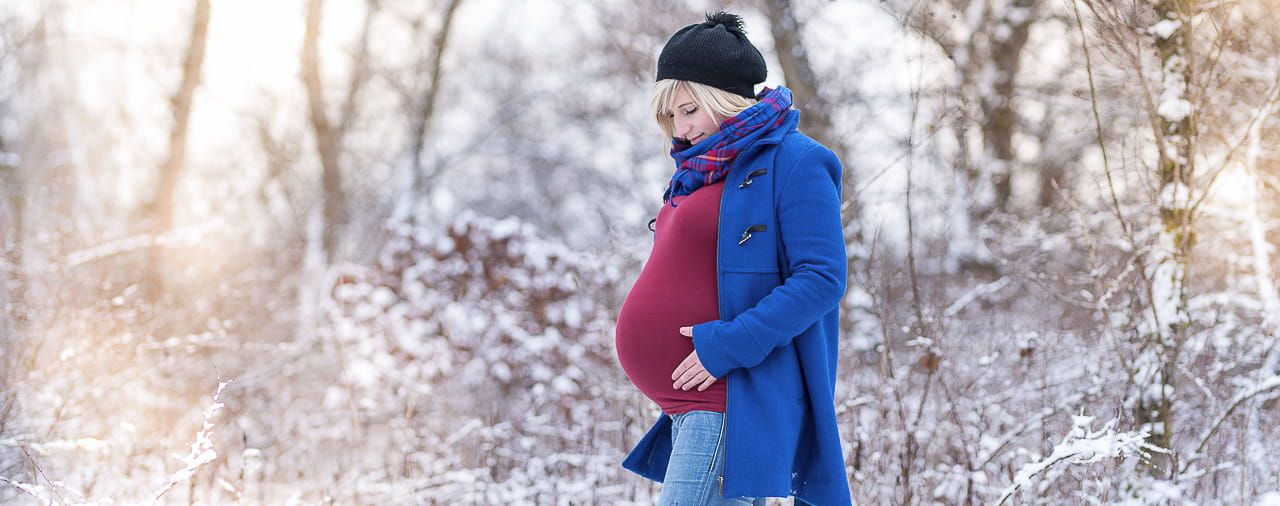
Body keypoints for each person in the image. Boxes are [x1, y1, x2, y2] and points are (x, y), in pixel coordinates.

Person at [614, 10, 854, 506]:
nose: (680, 128)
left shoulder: (797, 160)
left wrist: (727, 345)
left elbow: (822, 278)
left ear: (723, 99)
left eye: (689, 110)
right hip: (693, 406)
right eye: (670, 116)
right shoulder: (702, 170)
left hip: (729, 397)